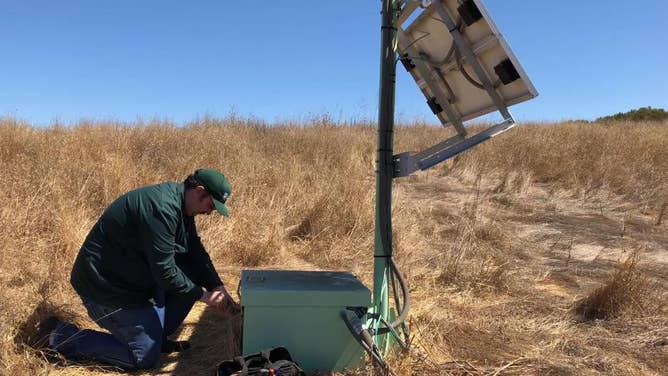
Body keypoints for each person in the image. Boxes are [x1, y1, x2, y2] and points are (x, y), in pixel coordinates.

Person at [37, 168, 240, 370]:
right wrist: (203, 296)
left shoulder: (182, 205)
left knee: (191, 272)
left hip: (136, 282)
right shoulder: (162, 208)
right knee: (144, 357)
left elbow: (195, 251)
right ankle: (59, 335)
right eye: (211, 204)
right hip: (104, 287)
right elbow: (165, 272)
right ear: (199, 191)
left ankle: (154, 336)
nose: (210, 211)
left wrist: (217, 286)